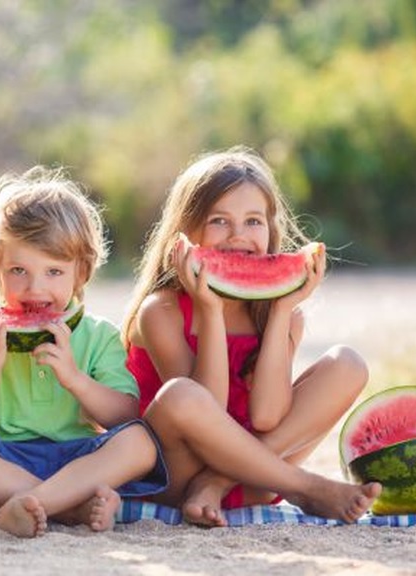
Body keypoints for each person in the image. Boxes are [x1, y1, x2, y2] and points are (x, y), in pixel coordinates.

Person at [123, 146, 381, 527]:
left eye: (253, 221)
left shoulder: (282, 317)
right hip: (172, 477)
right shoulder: (162, 312)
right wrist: (209, 310)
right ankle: (305, 487)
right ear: (185, 234)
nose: (238, 236)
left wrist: (279, 312)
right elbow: (202, 407)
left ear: (271, 230)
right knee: (182, 395)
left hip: (251, 481)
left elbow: (267, 415)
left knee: (348, 364)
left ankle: (218, 482)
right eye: (219, 221)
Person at [0, 166, 167, 538]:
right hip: (4, 458)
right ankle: (71, 508)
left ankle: (25, 506)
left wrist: (75, 380)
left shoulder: (98, 335)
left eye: (54, 272)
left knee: (140, 443)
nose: (34, 288)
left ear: (82, 273)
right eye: (18, 270)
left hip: (81, 457)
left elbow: (124, 416)